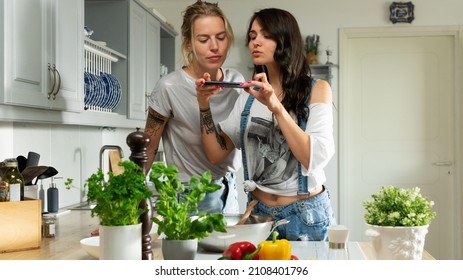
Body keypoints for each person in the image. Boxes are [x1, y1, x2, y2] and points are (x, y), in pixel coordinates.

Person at [196, 8, 336, 241]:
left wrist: (276, 107)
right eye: (252, 36)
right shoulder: (248, 96)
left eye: (265, 35)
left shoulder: (317, 90)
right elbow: (215, 153)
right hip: (259, 216)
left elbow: (314, 158)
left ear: (285, 40)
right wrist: (203, 105)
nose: (255, 42)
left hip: (306, 217)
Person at [144, 0, 243, 214]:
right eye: (204, 39)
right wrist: (125, 209)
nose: (214, 46)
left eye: (220, 37)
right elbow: (148, 149)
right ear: (188, 44)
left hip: (229, 191)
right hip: (187, 196)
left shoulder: (237, 82)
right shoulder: (168, 87)